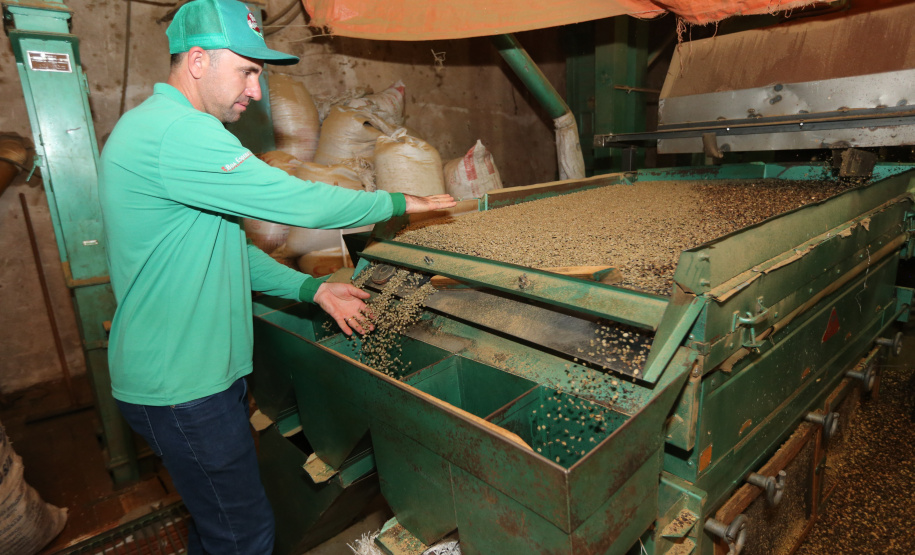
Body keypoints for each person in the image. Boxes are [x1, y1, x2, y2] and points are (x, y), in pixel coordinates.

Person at [97, 0, 455, 552]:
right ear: (197, 61)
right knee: (245, 535)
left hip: (194, 378)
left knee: (216, 523)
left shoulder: (166, 131)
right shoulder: (177, 133)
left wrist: (313, 288)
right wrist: (398, 202)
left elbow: (225, 253)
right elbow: (293, 201)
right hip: (182, 386)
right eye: (247, 70)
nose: (256, 90)